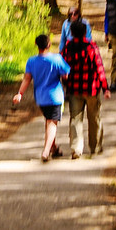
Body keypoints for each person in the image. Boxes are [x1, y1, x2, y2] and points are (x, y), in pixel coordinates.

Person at [13, 34, 70, 162]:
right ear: (49, 45)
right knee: (52, 124)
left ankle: (53, 148)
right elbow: (66, 75)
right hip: (55, 97)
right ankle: (45, 151)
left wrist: (20, 94)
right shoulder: (56, 59)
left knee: (49, 122)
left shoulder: (31, 61)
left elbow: (27, 79)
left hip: (41, 98)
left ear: (36, 45)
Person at [62, 20, 111, 159]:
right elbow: (99, 67)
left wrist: (66, 83)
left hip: (74, 89)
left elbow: (63, 68)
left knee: (75, 119)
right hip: (91, 88)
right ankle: (95, 147)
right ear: (85, 32)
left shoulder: (67, 48)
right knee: (94, 118)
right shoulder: (91, 47)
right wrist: (105, 88)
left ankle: (76, 149)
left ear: (71, 33)